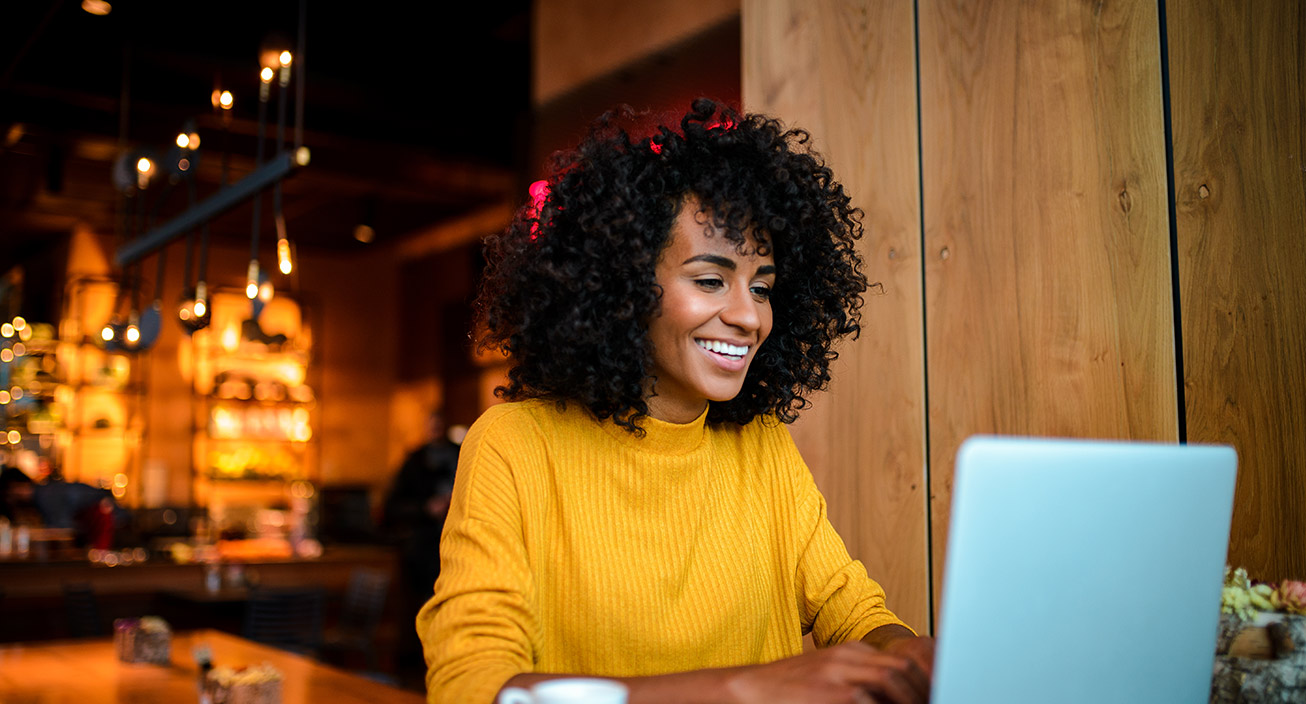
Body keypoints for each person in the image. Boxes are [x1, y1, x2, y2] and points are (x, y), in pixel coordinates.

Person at [417, 99, 934, 704]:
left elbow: (856, 612)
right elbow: (472, 687)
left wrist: (908, 652)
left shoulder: (760, 444)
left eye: (761, 286)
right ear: (623, 287)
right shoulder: (514, 444)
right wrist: (741, 689)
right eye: (710, 280)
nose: (747, 316)